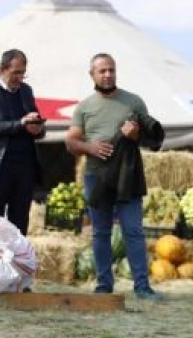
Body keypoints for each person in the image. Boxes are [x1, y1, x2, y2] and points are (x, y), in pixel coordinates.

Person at [65, 53, 166, 300]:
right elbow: (71, 142)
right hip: (96, 176)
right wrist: (90, 148)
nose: (107, 74)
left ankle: (142, 286)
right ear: (92, 75)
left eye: (111, 70)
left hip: (128, 175)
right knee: (100, 232)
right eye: (102, 71)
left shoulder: (133, 102)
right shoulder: (85, 107)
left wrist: (134, 137)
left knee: (133, 231)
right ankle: (104, 285)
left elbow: (153, 139)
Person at [0, 49, 45, 237]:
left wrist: (37, 128)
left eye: (23, 73)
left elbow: (35, 124)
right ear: (2, 69)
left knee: (20, 224)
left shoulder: (26, 90)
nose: (20, 78)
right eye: (16, 73)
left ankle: (17, 265)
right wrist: (20, 124)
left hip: (24, 168)